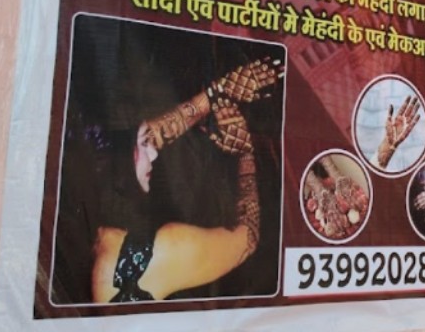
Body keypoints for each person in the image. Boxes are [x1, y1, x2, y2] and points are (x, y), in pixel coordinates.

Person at [90, 58, 282, 302]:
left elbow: (139, 137)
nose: (154, 152)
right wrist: (244, 152)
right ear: (118, 165)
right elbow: (246, 239)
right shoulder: (151, 256)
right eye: (144, 146)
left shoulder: (97, 226)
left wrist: (218, 92)